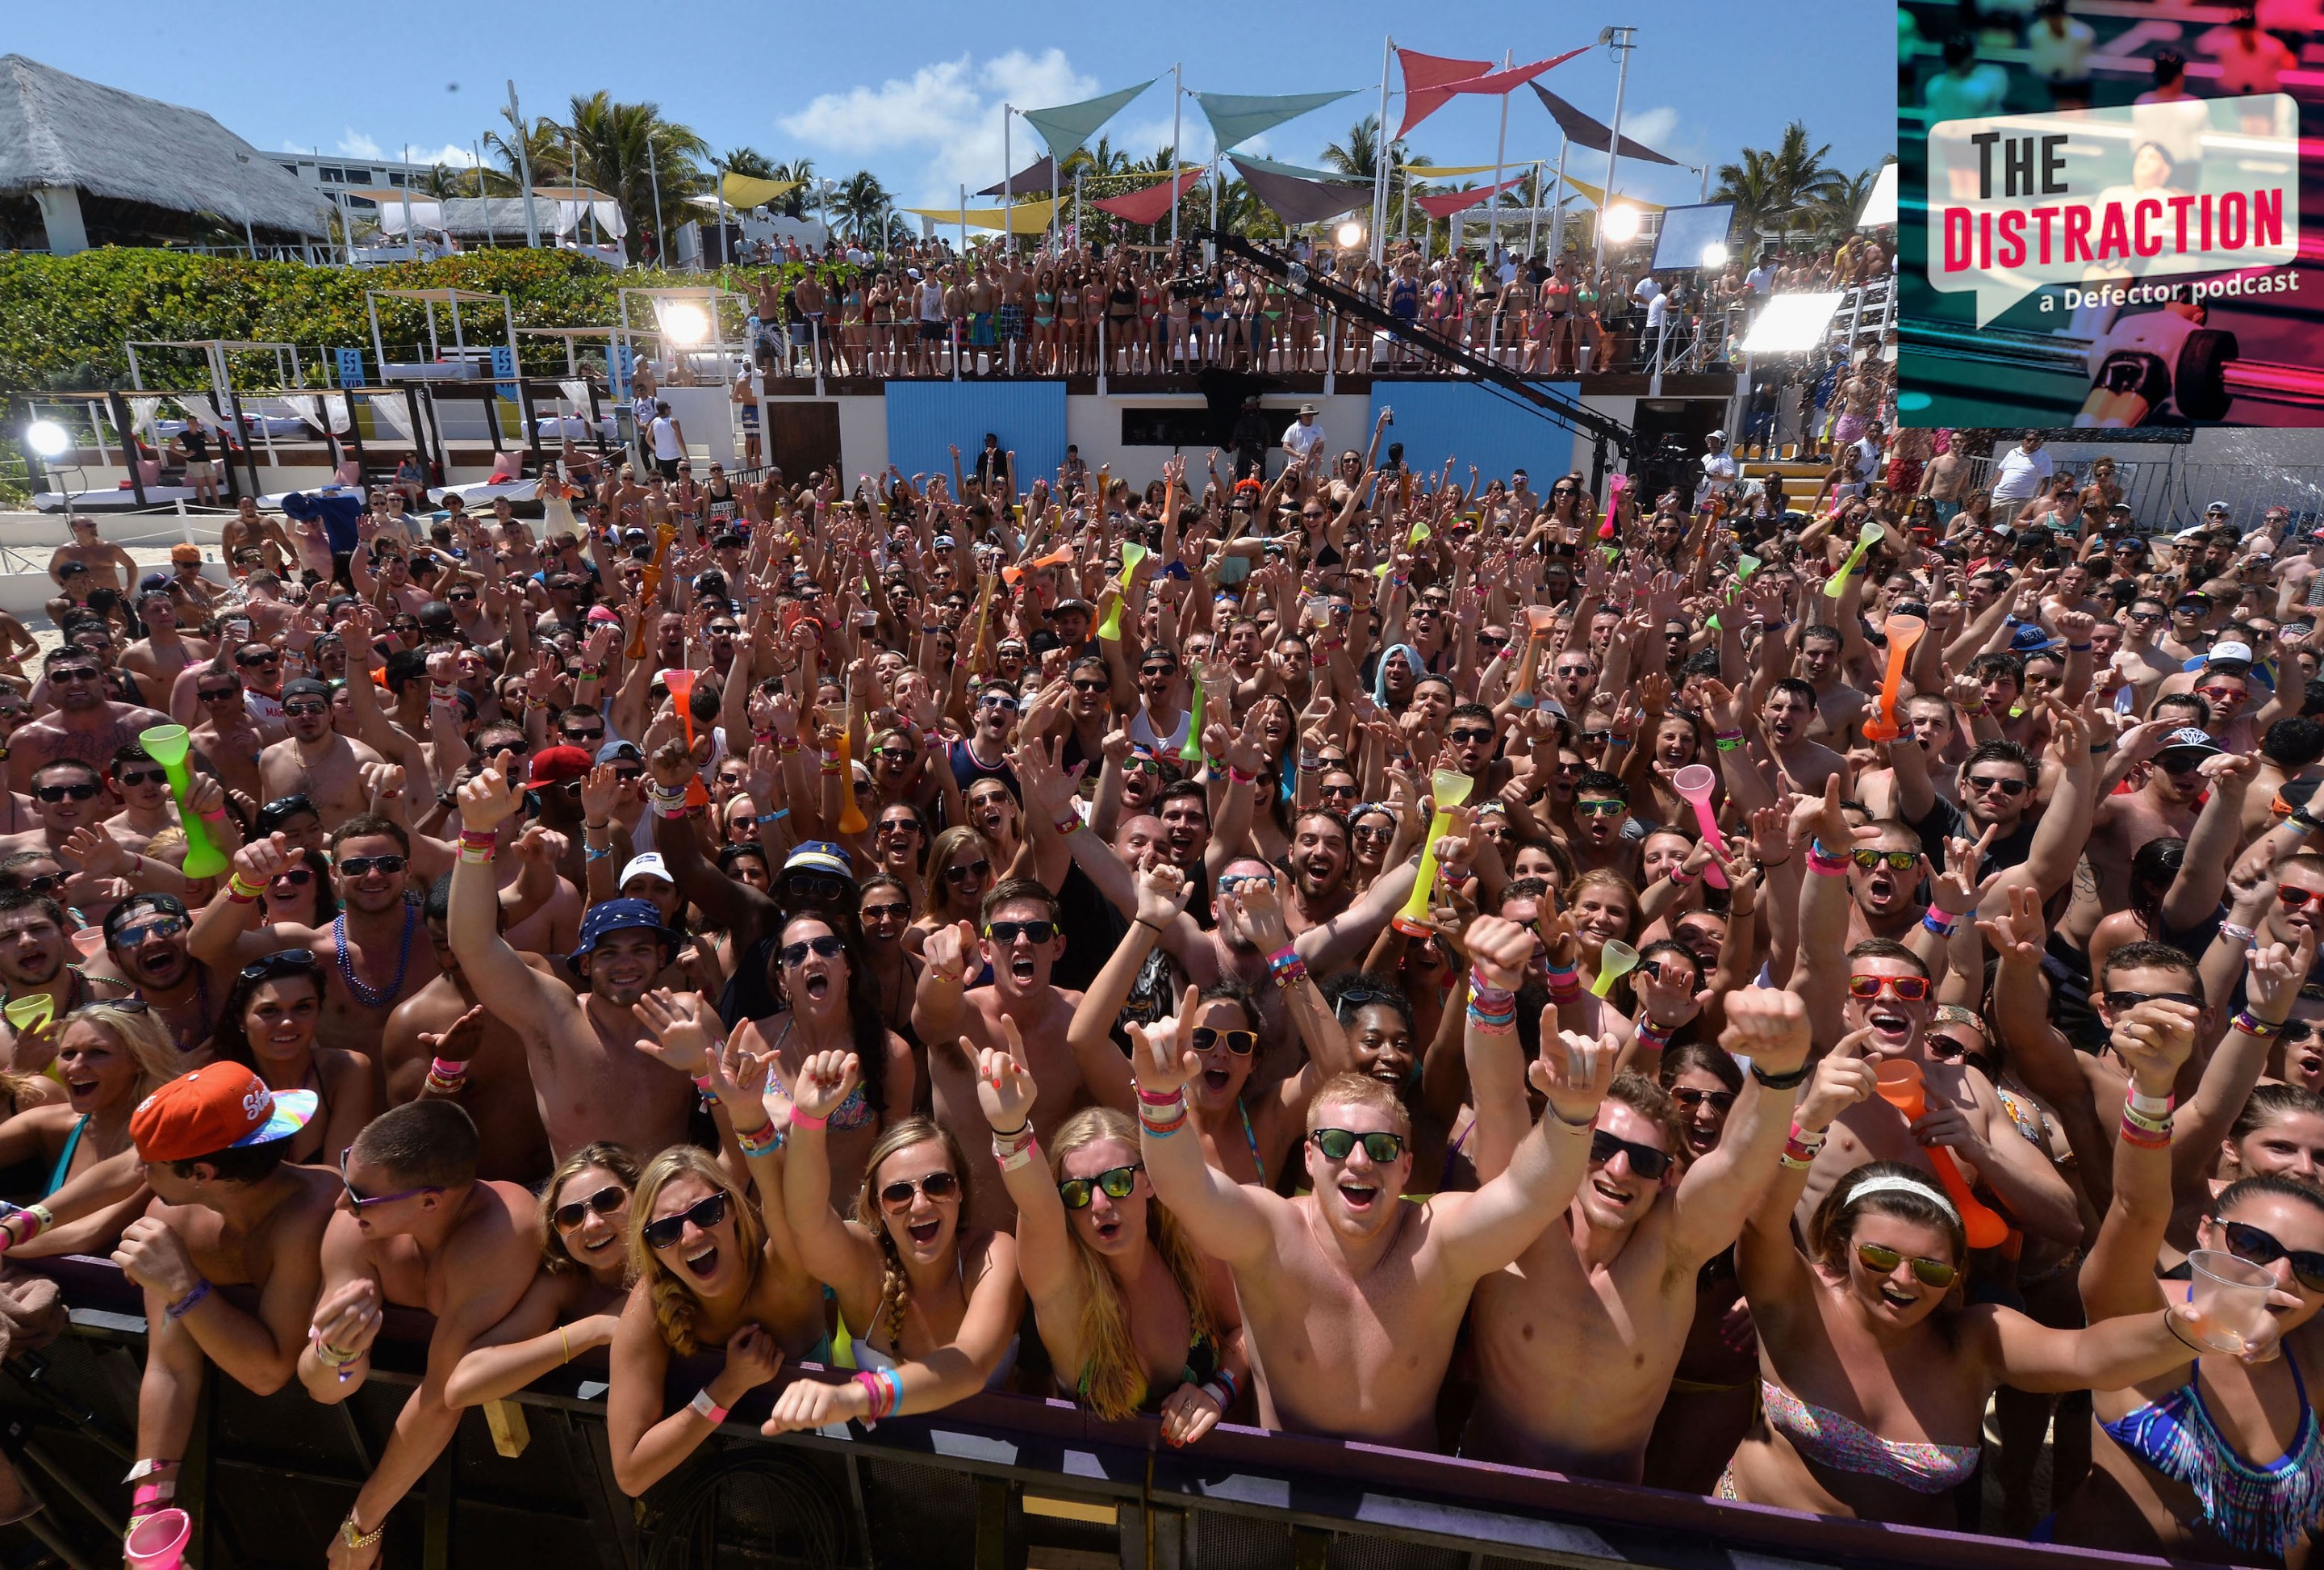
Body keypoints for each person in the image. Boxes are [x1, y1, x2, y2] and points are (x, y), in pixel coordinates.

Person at [1129, 973, 1613, 1448]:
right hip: (1279, 1491)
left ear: (1406, 1167)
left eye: (1381, 1147)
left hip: (1402, 1503)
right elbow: (1185, 1187)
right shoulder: (1272, 1232)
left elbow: (1530, 1197)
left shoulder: (1437, 1239)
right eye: (1338, 1143)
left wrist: (1572, 1117)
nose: (1359, 1161)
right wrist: (1159, 1100)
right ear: (1310, 1158)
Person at [1458, 931, 1815, 1481]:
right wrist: (1490, 992)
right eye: (1601, 1149)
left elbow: (1738, 1167)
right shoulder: (1524, 1225)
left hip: (1607, 1526)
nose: (1620, 1171)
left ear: (1668, 1175)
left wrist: (1779, 1074)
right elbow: (1498, 1097)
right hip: (1474, 1499)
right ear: (1577, 1149)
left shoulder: (1672, 1252)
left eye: (1645, 1161)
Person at [298, 1101, 538, 1568]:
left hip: (519, 1473)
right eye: (348, 1175)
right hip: (413, 1456)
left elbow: (442, 1398)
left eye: (361, 1195)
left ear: (430, 1202)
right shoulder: (355, 1230)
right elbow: (324, 1390)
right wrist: (338, 1352)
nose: (341, 1203)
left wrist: (360, 1529)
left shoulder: (501, 1233)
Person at [970, 1036, 1248, 1439]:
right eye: (1077, 1193)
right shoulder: (1062, 1285)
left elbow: (1243, 1332)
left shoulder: (1187, 1249)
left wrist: (1217, 1390)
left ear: (1149, 1182)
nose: (1098, 1204)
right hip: (1093, 1491)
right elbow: (1036, 1208)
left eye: (1117, 1182)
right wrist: (1010, 1128)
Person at [607, 993, 826, 1493]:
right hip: (716, 1493)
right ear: (650, 1249)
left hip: (831, 1475)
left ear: (734, 1212)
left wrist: (714, 1083)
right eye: (665, 1230)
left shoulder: (785, 1266)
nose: (691, 1235)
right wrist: (728, 1385)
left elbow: (771, 1179)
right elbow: (630, 1473)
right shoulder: (651, 1303)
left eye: (706, 1212)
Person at [112, 1064, 333, 1542]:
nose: (138, 1169)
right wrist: (149, 1510)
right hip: (275, 1462)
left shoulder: (315, 1212)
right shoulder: (172, 1221)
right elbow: (170, 1368)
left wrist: (183, 1284)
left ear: (201, 1173)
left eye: (150, 1161)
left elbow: (267, 1373)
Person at [444, 756, 696, 1158]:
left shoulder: (690, 1018)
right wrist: (476, 833)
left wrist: (708, 1071)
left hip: (677, 1213)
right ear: (584, 964)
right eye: (608, 952)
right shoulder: (554, 1019)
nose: (625, 963)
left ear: (663, 955)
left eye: (640, 950)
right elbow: (473, 945)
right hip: (581, 1216)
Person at [763, 1048, 1024, 1433]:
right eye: (898, 1193)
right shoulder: (863, 1263)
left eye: (938, 1184)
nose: (919, 1204)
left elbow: (969, 1365)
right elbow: (807, 1223)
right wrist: (810, 1119)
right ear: (877, 1206)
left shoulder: (992, 1254)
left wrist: (858, 1396)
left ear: (961, 1192)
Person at [443, 1143, 638, 1409]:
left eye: (608, 1201)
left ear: (642, 1196)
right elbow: (462, 1386)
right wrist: (595, 1328)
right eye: (571, 1216)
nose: (592, 1223)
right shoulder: (566, 1285)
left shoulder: (674, 1265)